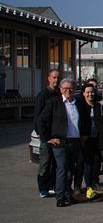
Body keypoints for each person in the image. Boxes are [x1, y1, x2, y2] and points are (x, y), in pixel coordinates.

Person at [38, 78, 90, 207]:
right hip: (60, 142)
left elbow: (86, 120)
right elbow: (41, 121)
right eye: (65, 88)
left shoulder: (79, 102)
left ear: (74, 89)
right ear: (61, 90)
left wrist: (84, 134)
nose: (68, 91)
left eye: (70, 88)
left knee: (70, 170)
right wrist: (47, 138)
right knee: (62, 168)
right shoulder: (54, 102)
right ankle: (60, 197)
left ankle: (68, 194)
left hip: (75, 141)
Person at [34, 69, 60, 197]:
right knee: (45, 162)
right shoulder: (43, 95)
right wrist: (41, 134)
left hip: (57, 134)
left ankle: (52, 185)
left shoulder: (59, 94)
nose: (56, 80)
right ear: (49, 78)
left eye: (58, 78)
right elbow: (37, 117)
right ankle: (43, 188)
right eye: (54, 77)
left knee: (55, 163)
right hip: (46, 136)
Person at [79, 84, 100, 199]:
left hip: (97, 137)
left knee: (97, 162)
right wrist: (82, 135)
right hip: (85, 138)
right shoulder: (81, 106)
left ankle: (95, 183)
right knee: (87, 163)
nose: (90, 94)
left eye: (92, 92)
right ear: (83, 93)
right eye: (87, 92)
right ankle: (88, 186)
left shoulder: (98, 105)